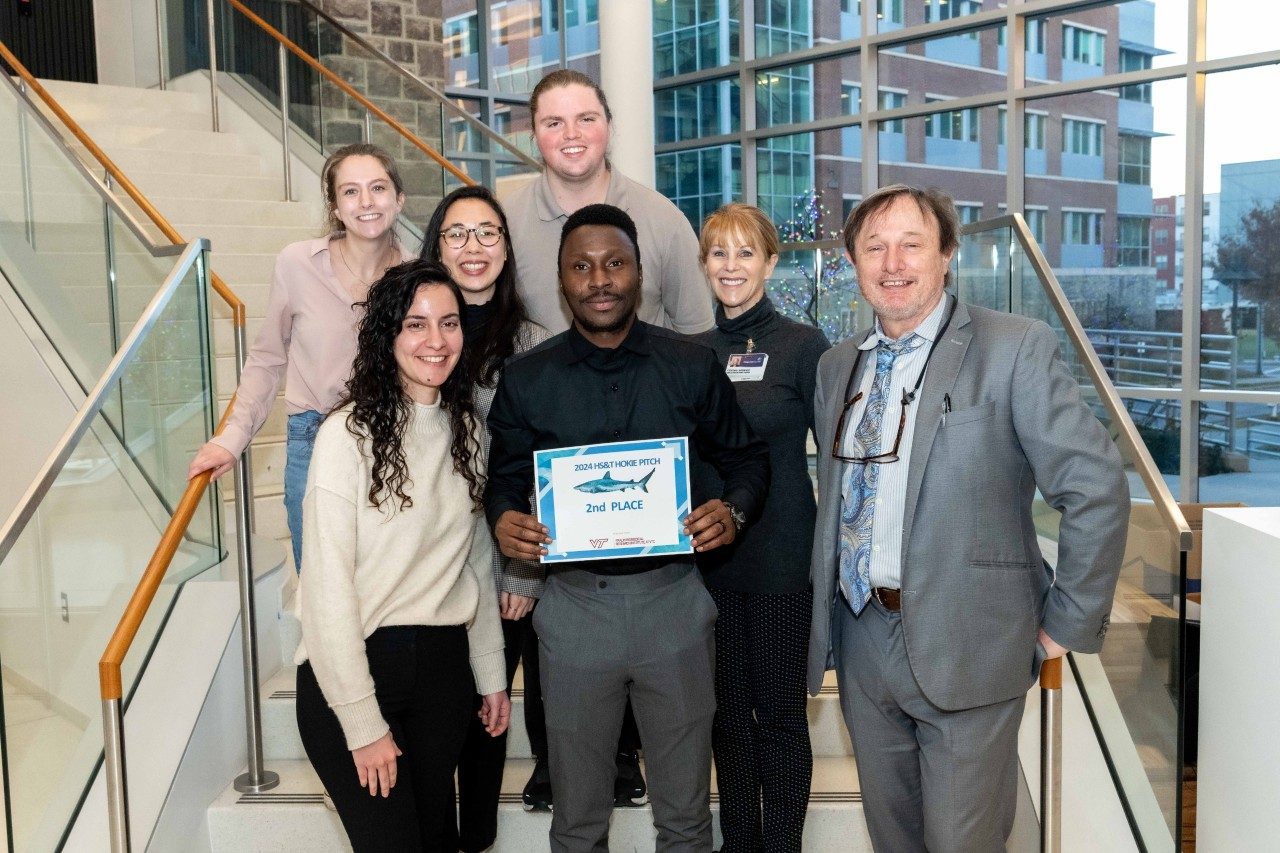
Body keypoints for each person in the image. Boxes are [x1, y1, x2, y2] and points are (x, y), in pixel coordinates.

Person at [807, 184, 1130, 851]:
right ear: (854, 260)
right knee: (892, 837)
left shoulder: (1014, 347)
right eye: (874, 246)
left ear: (947, 254)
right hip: (862, 639)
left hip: (973, 639)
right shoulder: (838, 367)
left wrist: (1066, 620)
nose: (892, 261)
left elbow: (1094, 484)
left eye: (912, 244)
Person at [485, 203, 770, 852]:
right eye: (581, 267)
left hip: (673, 603)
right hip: (573, 609)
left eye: (615, 263)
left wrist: (734, 510)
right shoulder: (528, 379)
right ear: (562, 279)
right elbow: (501, 476)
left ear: (639, 272)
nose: (600, 279)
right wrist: (504, 517)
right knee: (578, 822)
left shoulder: (689, 365)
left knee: (687, 822)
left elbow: (747, 457)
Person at [293, 260, 511, 851]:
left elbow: (471, 559)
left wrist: (491, 675)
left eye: (449, 323)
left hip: (444, 670)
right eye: (415, 325)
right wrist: (363, 723)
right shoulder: (347, 434)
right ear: (387, 335)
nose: (436, 341)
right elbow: (327, 588)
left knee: (436, 841)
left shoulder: (468, 429)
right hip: (358, 669)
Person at [187, 143, 415, 572]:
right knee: (320, 584)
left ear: (399, 199)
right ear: (334, 206)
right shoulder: (297, 263)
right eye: (350, 191)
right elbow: (267, 359)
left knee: (387, 587)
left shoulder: (417, 275)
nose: (366, 202)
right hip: (313, 438)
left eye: (378, 188)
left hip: (393, 439)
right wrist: (233, 438)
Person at [690, 203, 829, 853]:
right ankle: (738, 842)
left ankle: (783, 846)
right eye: (720, 252)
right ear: (704, 263)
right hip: (710, 565)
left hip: (781, 558)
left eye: (747, 252)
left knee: (777, 717)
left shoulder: (804, 347)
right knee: (725, 720)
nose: (732, 265)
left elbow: (836, 452)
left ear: (771, 262)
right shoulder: (689, 352)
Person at [420, 184, 549, 851]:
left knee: (489, 713)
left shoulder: (534, 342)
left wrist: (523, 569)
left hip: (502, 557)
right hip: (427, 561)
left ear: (507, 245)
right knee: (438, 715)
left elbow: (541, 462)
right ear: (436, 245)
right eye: (457, 233)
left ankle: (480, 840)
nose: (473, 248)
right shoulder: (410, 329)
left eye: (488, 232)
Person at [504, 68, 713, 336]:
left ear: (610, 125)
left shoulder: (665, 221)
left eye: (586, 119)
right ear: (534, 134)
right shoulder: (505, 224)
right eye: (554, 123)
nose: (571, 134)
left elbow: (699, 339)